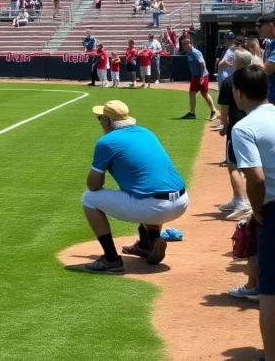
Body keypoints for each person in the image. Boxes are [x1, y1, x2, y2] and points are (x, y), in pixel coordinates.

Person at [81, 100, 188, 274]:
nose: (100, 121)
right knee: (144, 190)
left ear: (107, 121)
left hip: (155, 207)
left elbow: (93, 186)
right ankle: (148, 242)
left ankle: (111, 259)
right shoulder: (146, 132)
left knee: (88, 198)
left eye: (100, 118)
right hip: (182, 201)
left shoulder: (106, 142)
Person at [231, 65, 275, 360]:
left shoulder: (244, 127)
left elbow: (256, 179)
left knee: (270, 291)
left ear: (238, 93)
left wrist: (257, 213)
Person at [218, 49, 260, 221]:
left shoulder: (230, 81)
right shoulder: (257, 78)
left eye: (233, 60)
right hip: (256, 124)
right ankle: (238, 199)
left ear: (238, 63)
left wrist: (224, 125)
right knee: (255, 163)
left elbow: (224, 108)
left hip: (236, 126)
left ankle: (242, 202)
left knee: (233, 165)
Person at [181, 39, 219, 121]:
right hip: (195, 76)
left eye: (186, 44)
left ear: (191, 44)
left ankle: (213, 111)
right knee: (192, 93)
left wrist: (201, 77)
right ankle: (192, 113)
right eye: (183, 44)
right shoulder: (189, 53)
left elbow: (202, 64)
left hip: (202, 76)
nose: (184, 46)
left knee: (204, 93)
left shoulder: (195, 52)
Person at [255, 13, 275, 104]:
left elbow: (268, 69)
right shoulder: (271, 42)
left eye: (260, 26)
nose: (258, 29)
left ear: (271, 25)